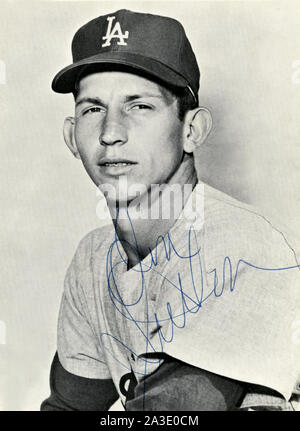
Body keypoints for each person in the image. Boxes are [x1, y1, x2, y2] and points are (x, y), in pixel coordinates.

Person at [41, 9, 300, 411]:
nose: (111, 134)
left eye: (139, 107)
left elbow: (173, 415)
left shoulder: (244, 247)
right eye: (93, 109)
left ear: (191, 130)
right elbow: (68, 407)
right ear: (71, 136)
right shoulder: (93, 260)